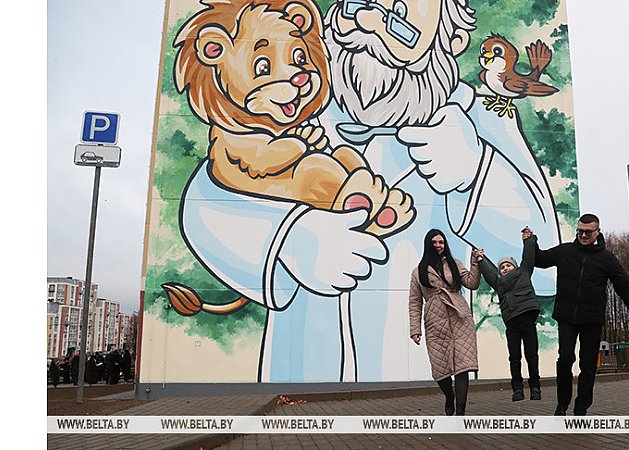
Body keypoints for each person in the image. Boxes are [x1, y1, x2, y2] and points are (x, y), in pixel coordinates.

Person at [176, 0, 561, 382]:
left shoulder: (480, 119)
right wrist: (290, 240)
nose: (373, 20)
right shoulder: (289, 110)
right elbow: (204, 204)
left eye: (400, 12)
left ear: (453, 37)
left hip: (438, 362)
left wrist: (476, 173)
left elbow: (542, 270)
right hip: (303, 381)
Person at [532, 214, 629, 416]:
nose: (583, 235)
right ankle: (562, 403)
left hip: (591, 319)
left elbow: (624, 286)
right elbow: (540, 259)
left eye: (588, 232)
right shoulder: (565, 251)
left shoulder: (606, 259)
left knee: (588, 364)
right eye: (580, 231)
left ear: (597, 232)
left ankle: (581, 406)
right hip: (567, 316)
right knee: (565, 359)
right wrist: (531, 241)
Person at [408, 229, 481, 415]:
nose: (438, 245)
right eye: (434, 242)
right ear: (428, 244)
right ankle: (450, 396)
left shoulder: (455, 263)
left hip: (460, 317)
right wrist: (415, 329)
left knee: (462, 366)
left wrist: (475, 263)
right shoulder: (418, 272)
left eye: (441, 242)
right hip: (435, 321)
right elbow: (415, 302)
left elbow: (472, 283)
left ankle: (461, 412)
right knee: (440, 368)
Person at [475, 232, 541, 402]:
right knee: (514, 357)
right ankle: (517, 389)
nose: (505, 268)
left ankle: (535, 388)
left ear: (515, 266)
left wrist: (528, 240)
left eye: (508, 265)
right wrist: (481, 260)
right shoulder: (499, 284)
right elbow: (489, 273)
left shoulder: (524, 271)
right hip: (512, 323)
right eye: (502, 267)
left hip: (526, 319)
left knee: (531, 355)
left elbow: (528, 256)